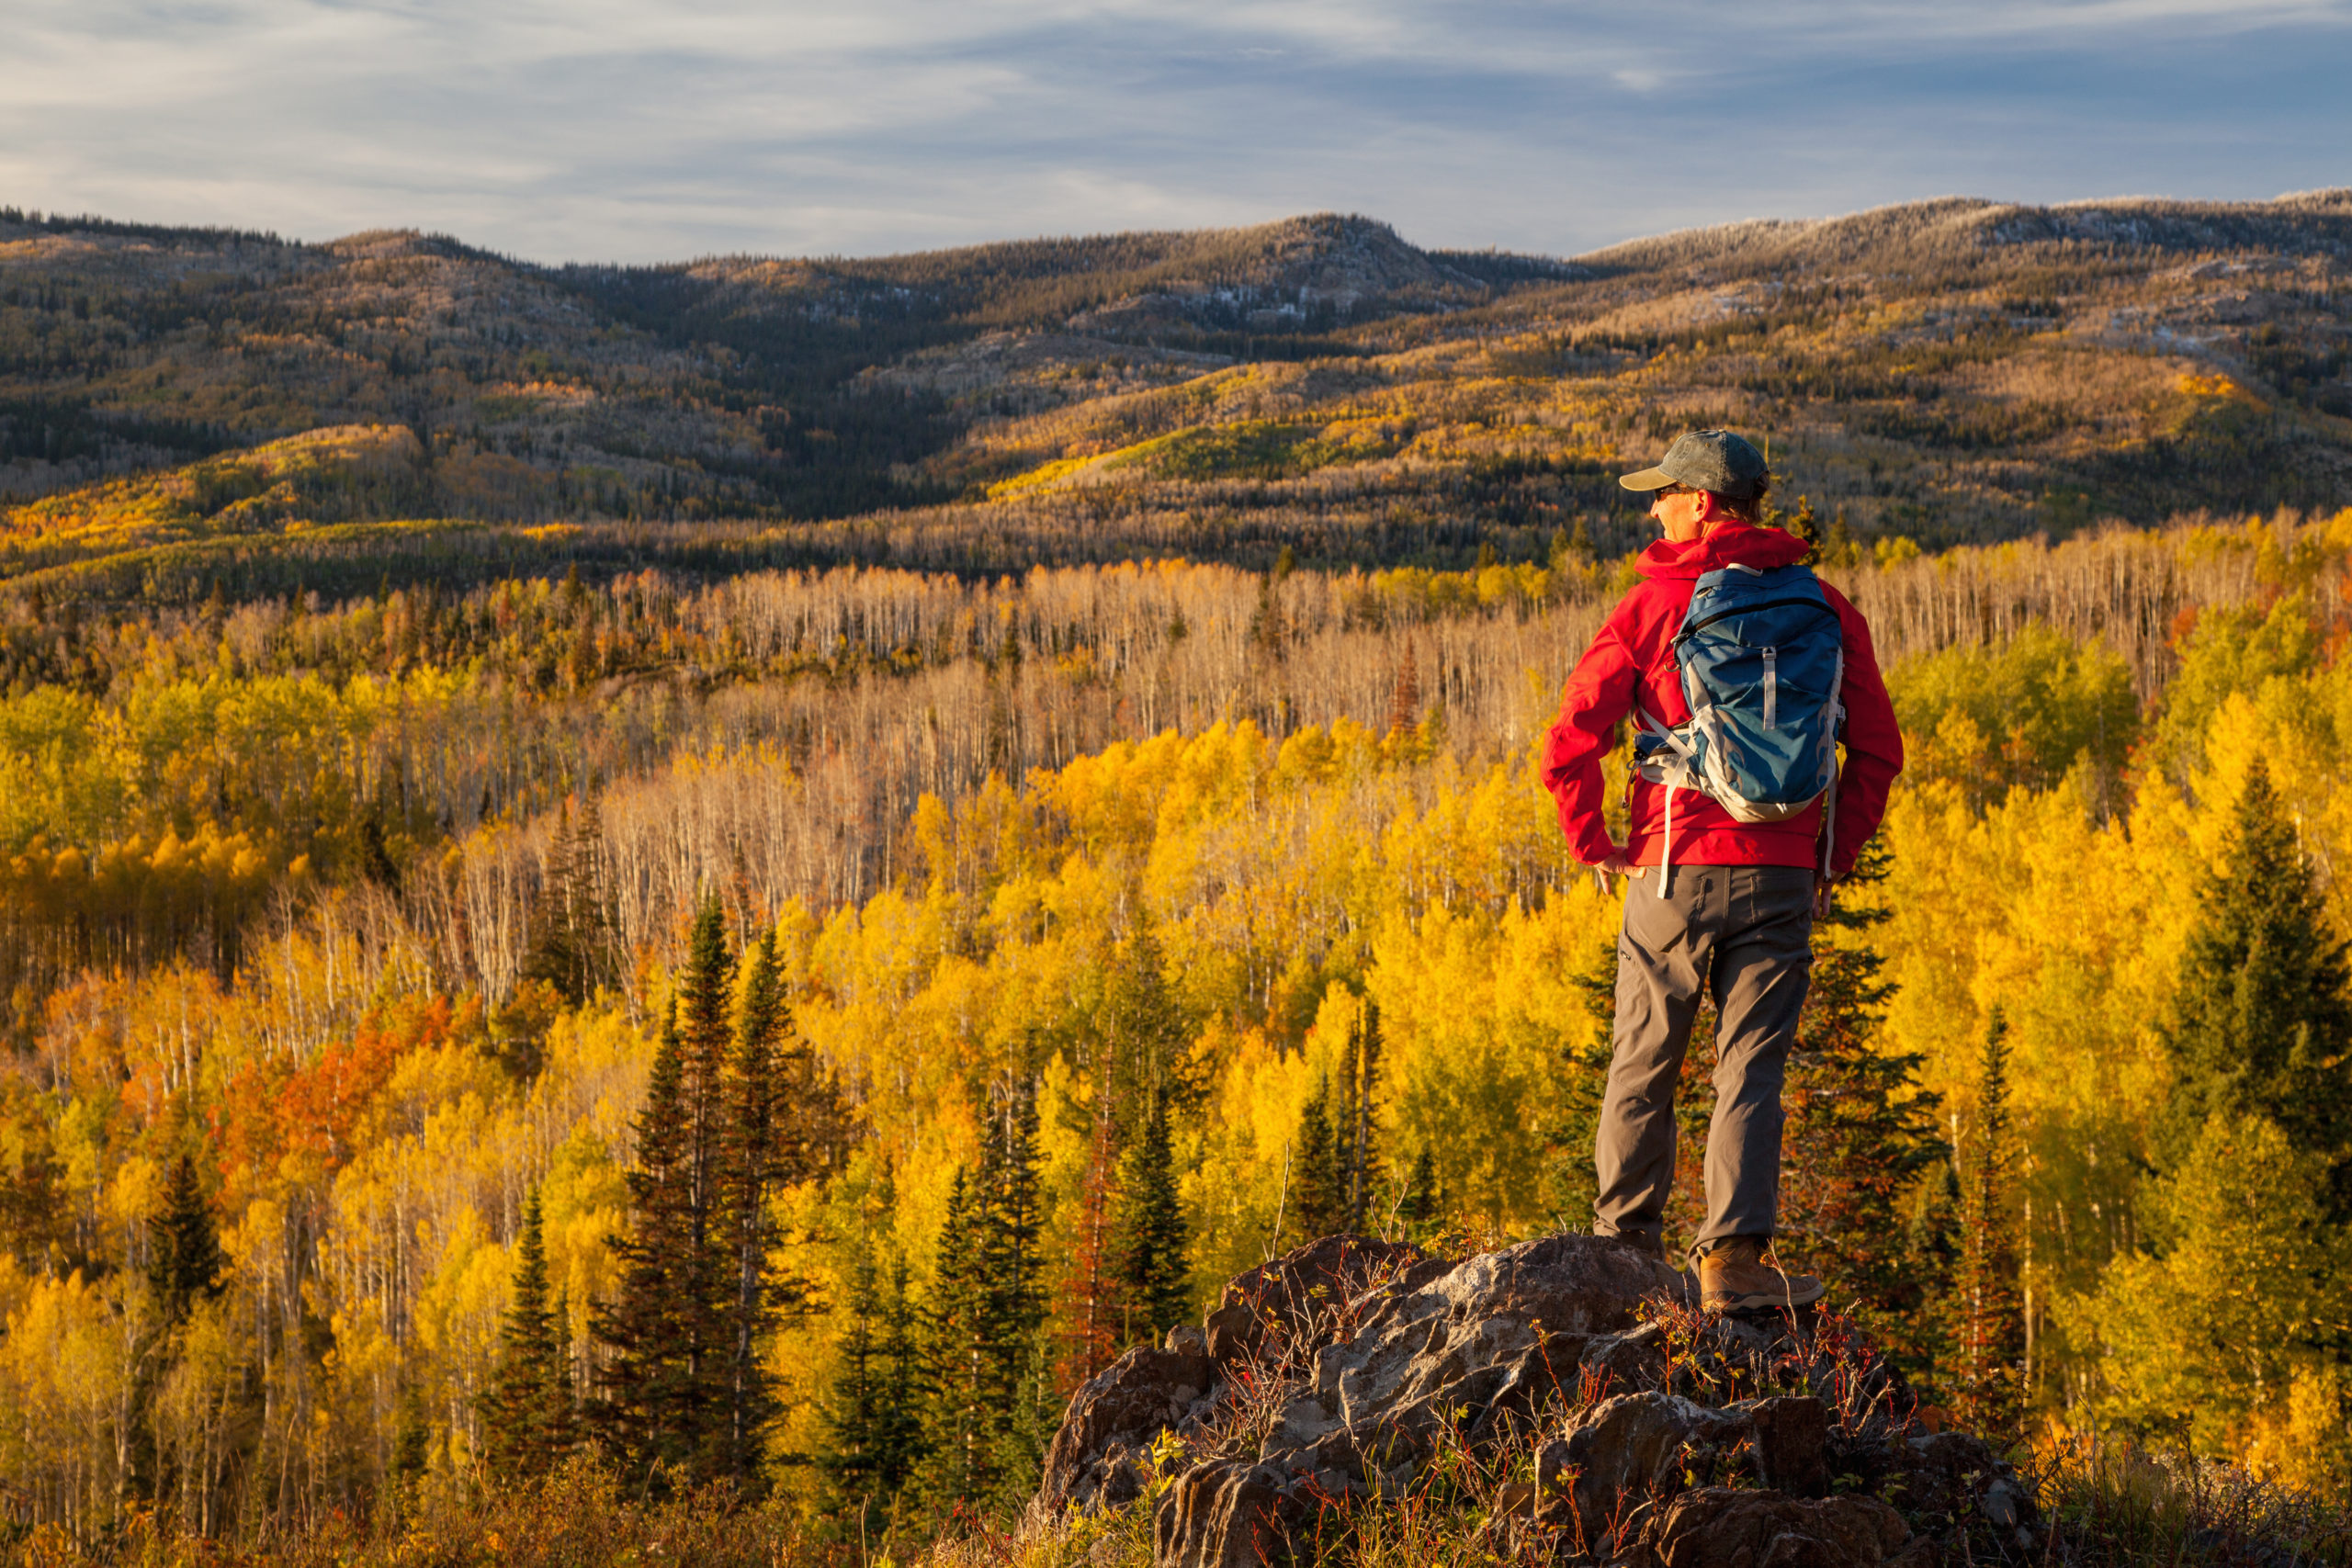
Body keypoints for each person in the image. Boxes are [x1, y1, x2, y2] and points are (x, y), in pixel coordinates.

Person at [1543, 430, 1904, 1313]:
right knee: (1752, 1067)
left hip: (1674, 867)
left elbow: (1570, 742)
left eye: (1664, 492)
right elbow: (1879, 750)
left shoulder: (1652, 607)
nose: (1651, 505)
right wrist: (1830, 855)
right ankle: (1733, 1267)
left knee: (1646, 1053)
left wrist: (1596, 842)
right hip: (1782, 873)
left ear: (1702, 503)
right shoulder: (1824, 606)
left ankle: (1624, 1254)